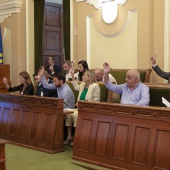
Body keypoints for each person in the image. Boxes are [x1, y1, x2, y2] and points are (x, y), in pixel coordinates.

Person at [64, 69, 100, 146]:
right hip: (80, 108)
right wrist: (72, 75)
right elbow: (76, 87)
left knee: (75, 115)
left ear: (89, 77)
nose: (82, 76)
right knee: (67, 113)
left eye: (84, 75)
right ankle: (70, 136)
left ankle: (77, 137)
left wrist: (83, 103)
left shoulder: (95, 86)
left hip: (89, 110)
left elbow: (97, 103)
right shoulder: (83, 84)